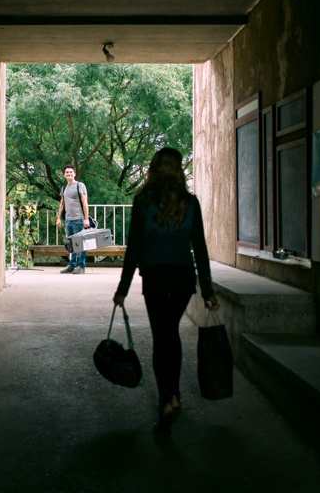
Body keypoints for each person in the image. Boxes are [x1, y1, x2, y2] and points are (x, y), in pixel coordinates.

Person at [112, 147, 220, 434]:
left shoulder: (143, 201)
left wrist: (122, 288)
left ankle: (167, 398)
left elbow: (134, 247)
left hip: (156, 277)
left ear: (155, 169)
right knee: (170, 332)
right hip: (183, 278)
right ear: (179, 170)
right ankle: (174, 396)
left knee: (163, 336)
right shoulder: (190, 203)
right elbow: (200, 248)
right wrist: (207, 289)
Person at [55, 164, 90, 274]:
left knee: (80, 243)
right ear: (64, 174)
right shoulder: (64, 187)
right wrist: (59, 218)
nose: (69, 174)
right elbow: (62, 204)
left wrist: (86, 219)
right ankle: (72, 264)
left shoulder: (80, 185)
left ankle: (81, 266)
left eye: (71, 172)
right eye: (67, 172)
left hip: (78, 219)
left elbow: (85, 203)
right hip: (68, 220)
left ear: (74, 173)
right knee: (71, 243)